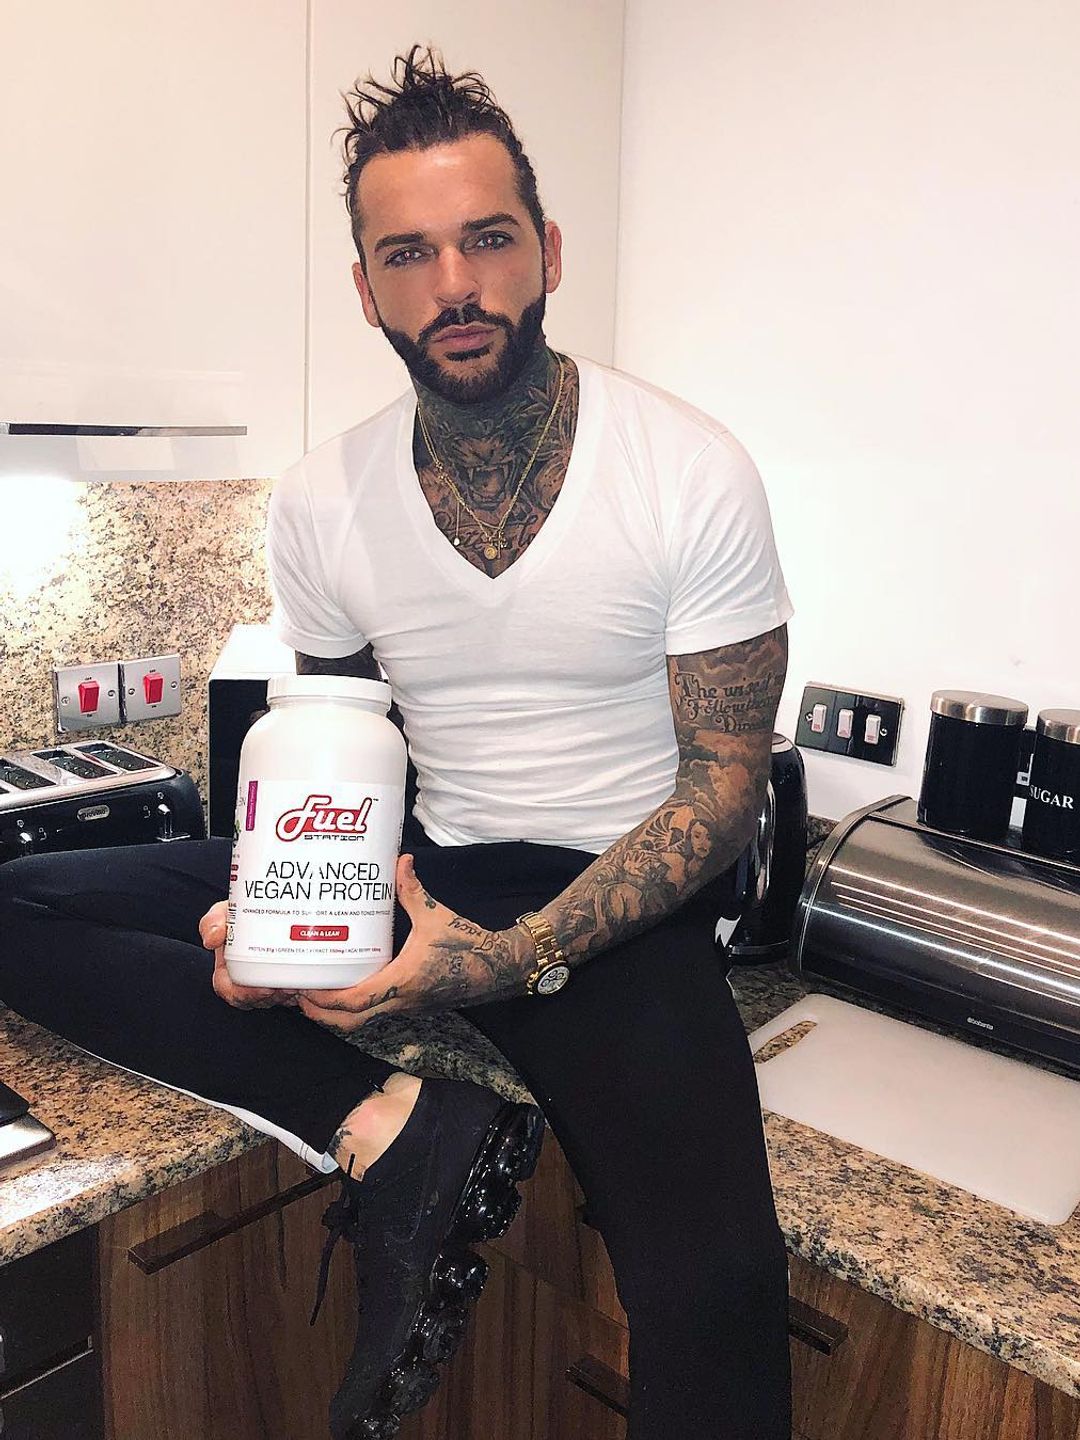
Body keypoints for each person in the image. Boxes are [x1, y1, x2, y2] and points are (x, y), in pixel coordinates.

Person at [0, 46, 794, 1440]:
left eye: (487, 239)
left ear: (545, 251)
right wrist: (283, 908)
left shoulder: (689, 470)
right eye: (410, 253)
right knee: (22, 901)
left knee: (717, 1288)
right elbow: (333, 751)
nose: (457, 286)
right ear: (367, 287)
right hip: (429, 863)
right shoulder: (323, 502)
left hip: (620, 906)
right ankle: (394, 1120)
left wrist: (517, 958)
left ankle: (420, 1098)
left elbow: (725, 788)